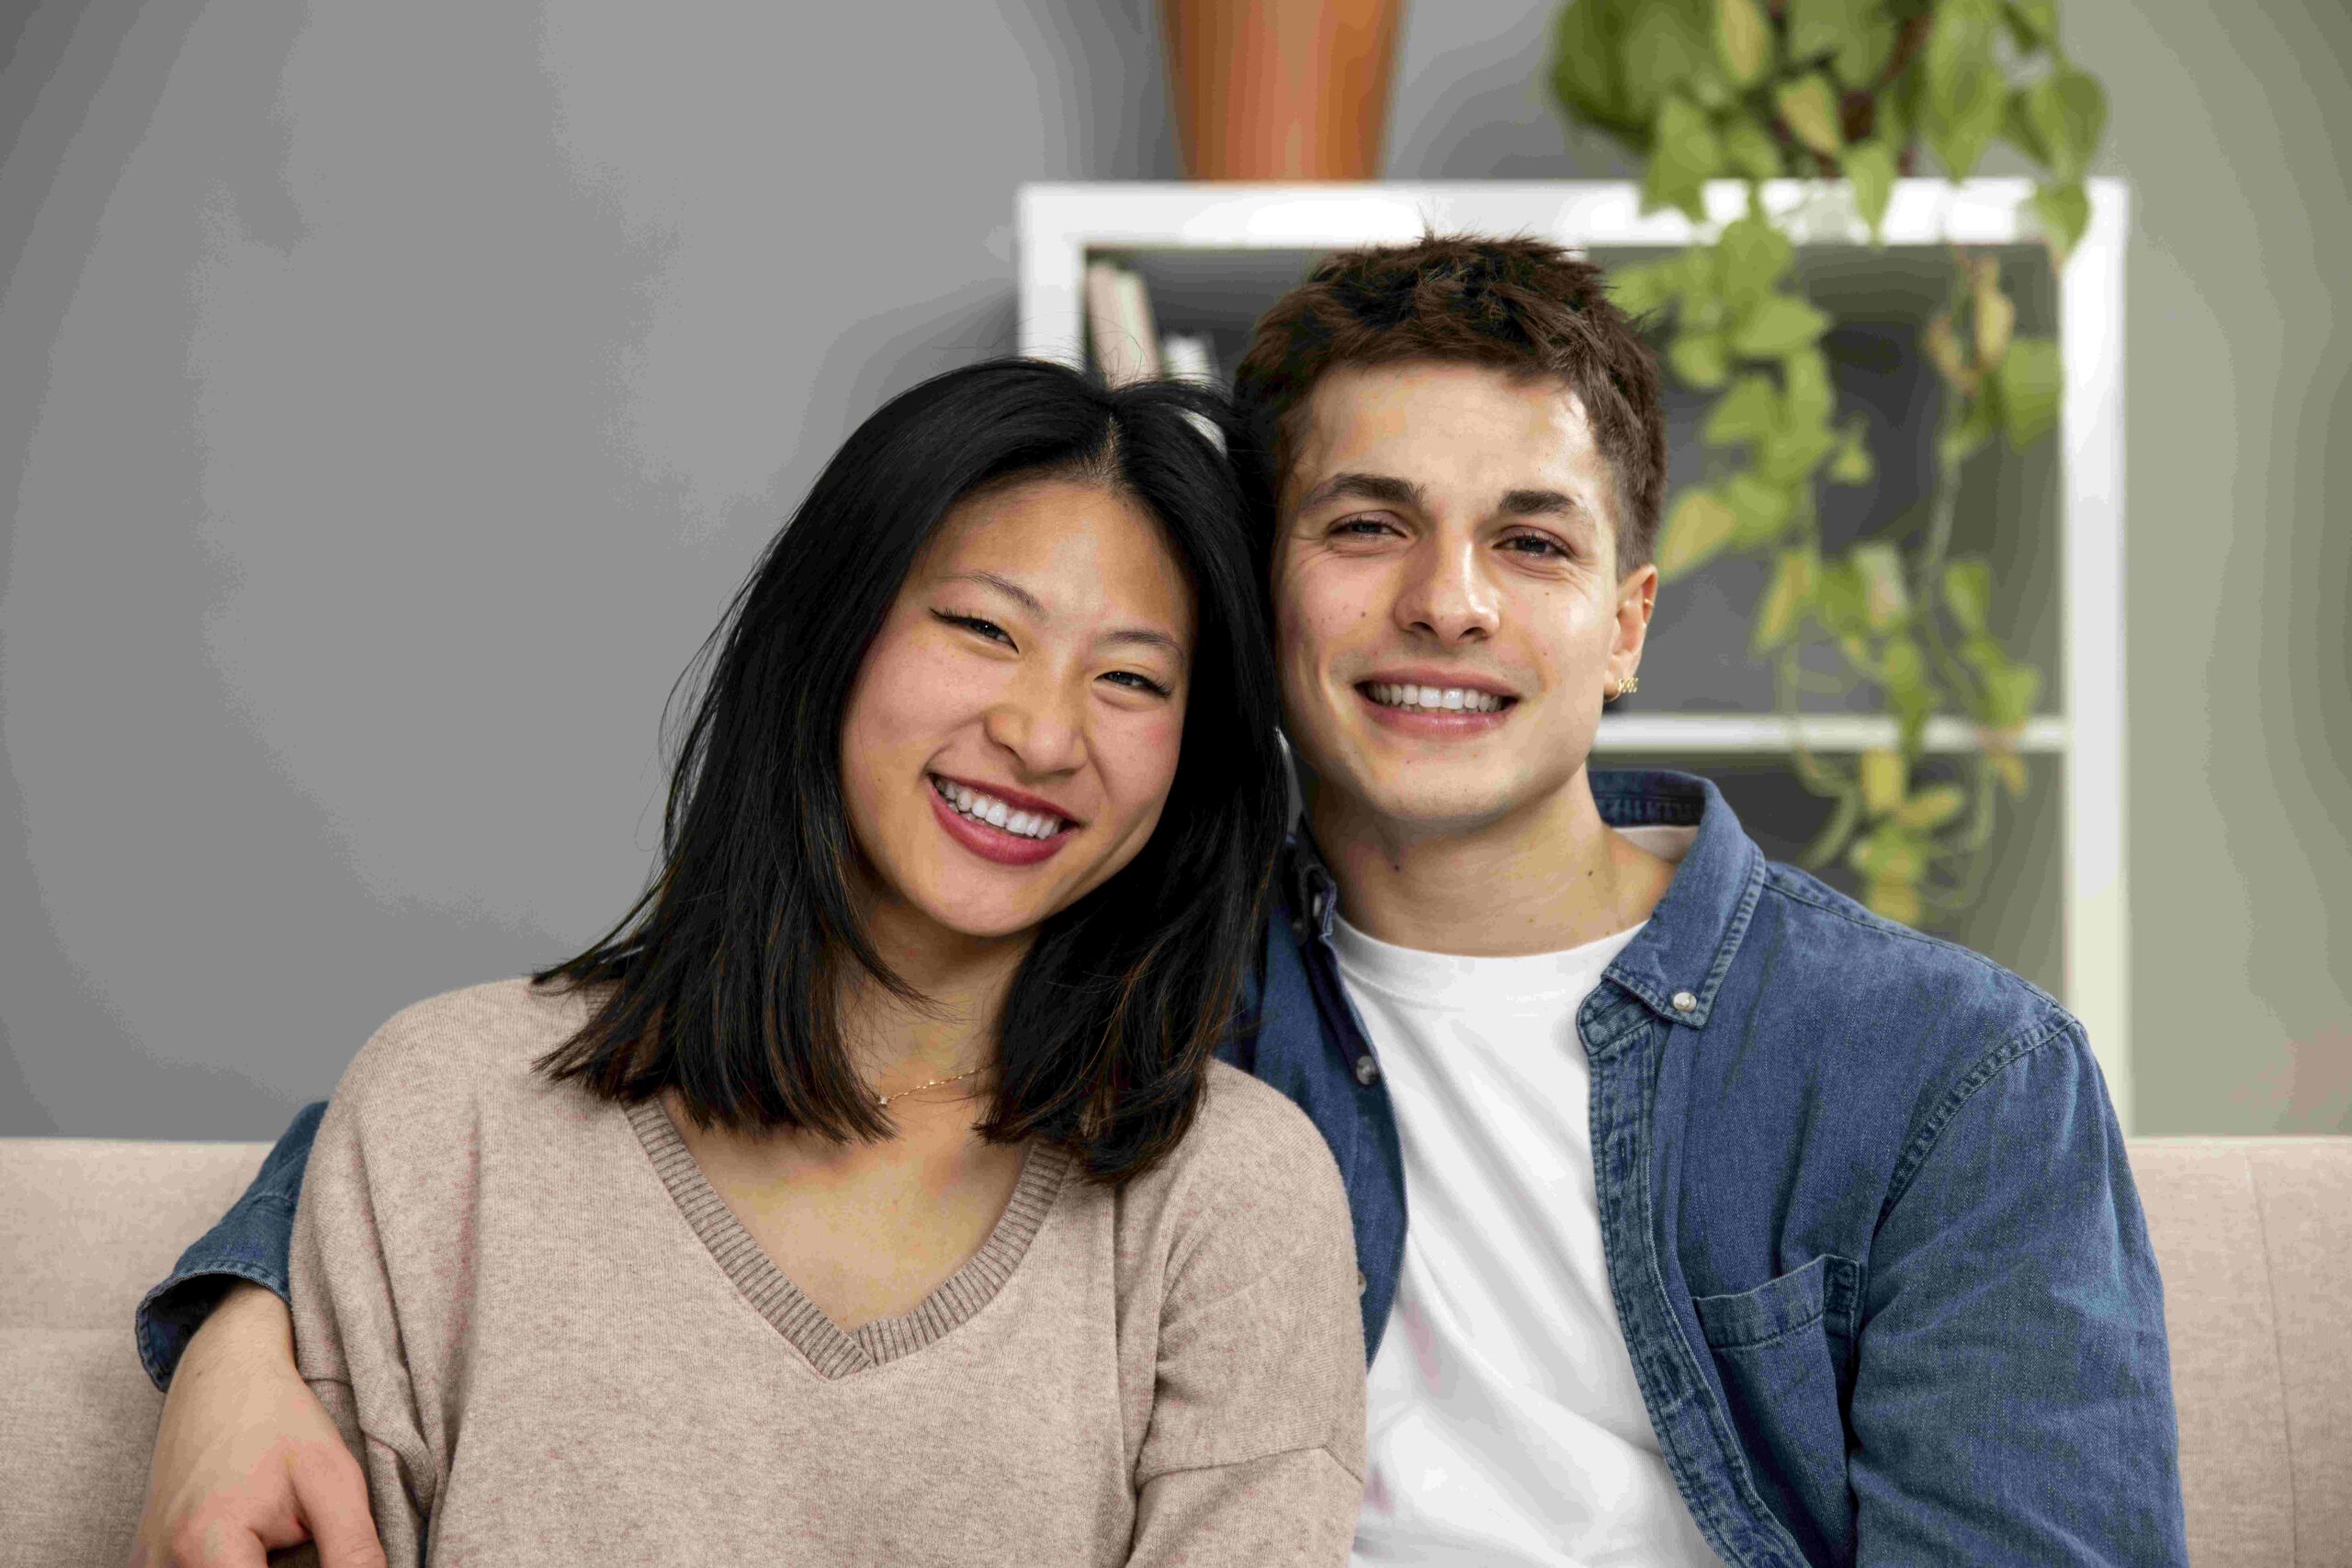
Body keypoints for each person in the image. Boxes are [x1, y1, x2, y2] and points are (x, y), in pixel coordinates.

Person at [133, 238, 2188, 1568]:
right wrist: (241, 1316)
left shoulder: (1939, 1072)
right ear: (1265, 598)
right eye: (1365, 523)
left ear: (1624, 621)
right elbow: (575, 1093)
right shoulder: (1144, 994)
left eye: (1528, 542)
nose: (1445, 600)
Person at [128, 358, 1367, 1567]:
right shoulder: (447, 1109)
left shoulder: (1233, 1197)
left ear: (1190, 762)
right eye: (985, 627)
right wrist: (224, 1330)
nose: (1044, 733)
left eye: (1133, 679)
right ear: (831, 633)